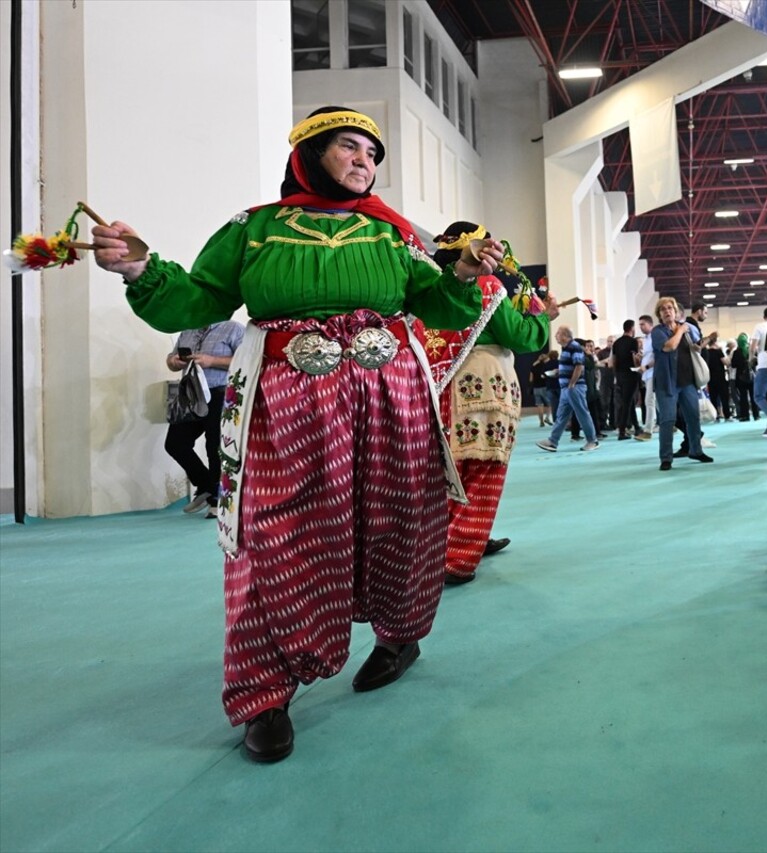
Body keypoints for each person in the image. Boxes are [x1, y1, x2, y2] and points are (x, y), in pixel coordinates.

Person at [91, 106, 502, 764]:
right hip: (287, 402)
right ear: (308, 154)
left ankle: (399, 635)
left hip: (390, 393)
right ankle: (264, 692)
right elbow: (195, 300)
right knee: (276, 532)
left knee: (404, 517)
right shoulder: (252, 229)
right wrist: (141, 268)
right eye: (350, 146)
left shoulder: (392, 235)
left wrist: (458, 274)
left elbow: (439, 305)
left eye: (373, 152)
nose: (365, 160)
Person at [425, 223, 557, 586]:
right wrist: (543, 316)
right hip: (483, 383)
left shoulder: (432, 289)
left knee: (451, 472)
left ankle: (453, 543)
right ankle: (459, 556)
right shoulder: (486, 286)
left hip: (439, 386)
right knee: (483, 470)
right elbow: (521, 336)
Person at [165, 321, 244, 516]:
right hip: (192, 395)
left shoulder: (234, 329)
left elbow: (247, 361)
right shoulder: (188, 329)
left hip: (220, 393)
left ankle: (217, 499)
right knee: (175, 443)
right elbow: (170, 361)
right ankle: (206, 485)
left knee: (215, 446)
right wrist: (175, 361)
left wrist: (212, 361)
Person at [650, 297, 712, 471]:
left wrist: (698, 346)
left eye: (670, 308)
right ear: (659, 314)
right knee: (667, 420)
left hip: (688, 381)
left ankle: (696, 450)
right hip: (667, 383)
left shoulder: (687, 330)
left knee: (693, 417)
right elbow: (669, 347)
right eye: (663, 309)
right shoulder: (658, 332)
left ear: (676, 311)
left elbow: (696, 347)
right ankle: (666, 458)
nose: (667, 311)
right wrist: (681, 329)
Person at [536, 327, 599, 452]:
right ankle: (553, 441)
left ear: (565, 335)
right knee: (562, 415)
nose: (555, 336)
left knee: (582, 413)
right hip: (567, 388)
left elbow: (579, 366)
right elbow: (572, 366)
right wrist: (559, 372)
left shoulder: (574, 346)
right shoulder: (566, 348)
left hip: (574, 387)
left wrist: (572, 384)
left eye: (558, 333)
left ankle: (592, 440)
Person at [612, 320, 642, 439]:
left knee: (627, 401)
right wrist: (639, 365)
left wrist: (616, 374)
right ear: (632, 328)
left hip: (620, 374)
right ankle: (622, 431)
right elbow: (634, 359)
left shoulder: (616, 343)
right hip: (630, 374)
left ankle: (636, 427)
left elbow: (614, 360)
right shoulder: (633, 342)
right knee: (627, 402)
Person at [731, 332, 754, 422]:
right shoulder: (750, 350)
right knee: (752, 396)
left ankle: (745, 416)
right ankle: (756, 415)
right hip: (751, 377)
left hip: (740, 377)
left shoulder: (736, 352)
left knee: (743, 397)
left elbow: (733, 365)